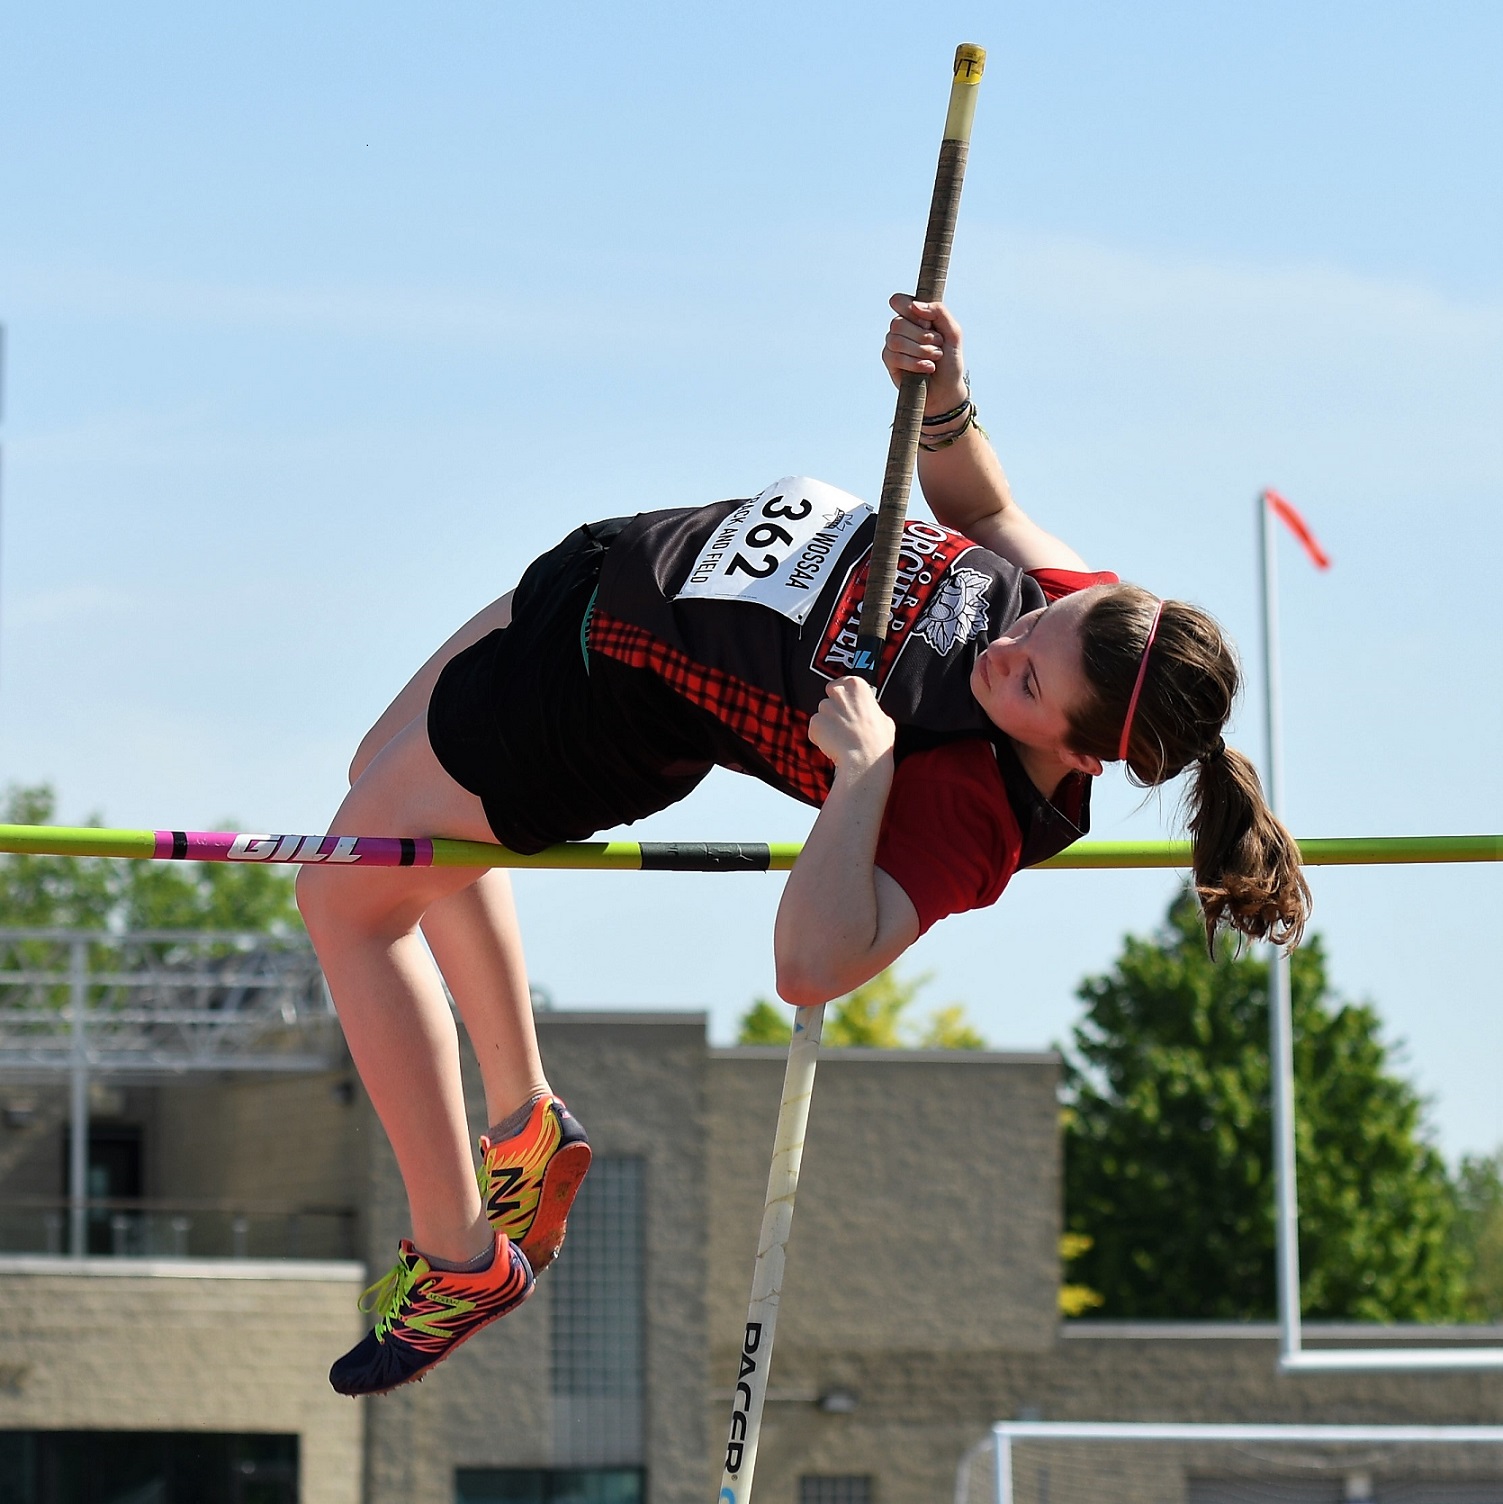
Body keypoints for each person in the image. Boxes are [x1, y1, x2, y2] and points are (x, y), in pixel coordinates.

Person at [297, 295, 1310, 1397]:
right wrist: (945, 400)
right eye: (1031, 627)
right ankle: (525, 1120)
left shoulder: (976, 805)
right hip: (623, 567)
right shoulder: (1087, 616)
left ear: (1081, 753)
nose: (1006, 644)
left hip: (603, 701)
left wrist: (865, 776)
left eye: (1027, 678)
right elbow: (988, 504)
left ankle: (458, 1259)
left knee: (345, 893)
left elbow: (812, 961)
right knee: (374, 784)